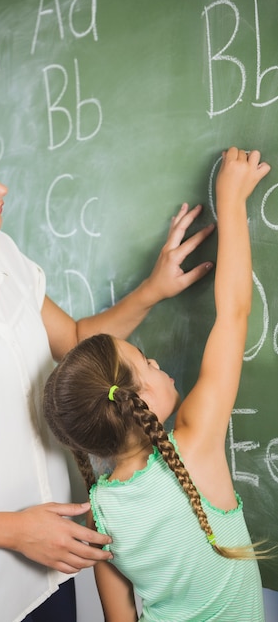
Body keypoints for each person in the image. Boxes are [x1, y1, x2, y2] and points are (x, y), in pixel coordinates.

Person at [0, 101, 215, 622]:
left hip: (50, 572)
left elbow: (71, 338)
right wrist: (15, 530)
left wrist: (153, 290)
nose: (0, 191)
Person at [43, 148, 271, 622]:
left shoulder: (100, 511)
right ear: (139, 398)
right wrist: (231, 203)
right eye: (146, 362)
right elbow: (233, 315)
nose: (158, 361)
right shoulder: (195, 444)